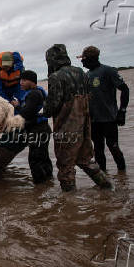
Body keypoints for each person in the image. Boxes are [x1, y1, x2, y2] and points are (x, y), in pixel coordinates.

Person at [43, 44, 112, 192]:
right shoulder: (81, 72)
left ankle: (70, 205)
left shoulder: (56, 77)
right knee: (86, 160)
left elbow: (51, 107)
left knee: (65, 166)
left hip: (66, 127)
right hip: (85, 126)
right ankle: (108, 188)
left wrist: (43, 109)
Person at [78, 46, 129, 172]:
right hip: (94, 120)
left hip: (109, 118)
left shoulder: (108, 71)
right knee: (98, 149)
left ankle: (122, 175)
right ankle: (104, 178)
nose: (81, 62)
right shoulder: (86, 76)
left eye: (83, 59)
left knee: (113, 146)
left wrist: (122, 111)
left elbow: (125, 89)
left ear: (90, 59)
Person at [10, 70, 53, 184]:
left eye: (24, 80)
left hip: (37, 130)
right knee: (44, 158)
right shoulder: (39, 91)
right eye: (20, 80)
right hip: (43, 128)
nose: (21, 83)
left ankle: (39, 188)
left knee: (34, 160)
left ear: (32, 81)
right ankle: (49, 183)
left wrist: (17, 107)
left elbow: (26, 114)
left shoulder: (33, 94)